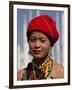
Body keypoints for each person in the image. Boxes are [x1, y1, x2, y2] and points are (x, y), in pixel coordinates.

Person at [17, 14, 64, 80]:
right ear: (28, 41)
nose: (37, 45)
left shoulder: (62, 74)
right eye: (33, 40)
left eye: (42, 41)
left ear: (51, 44)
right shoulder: (20, 76)